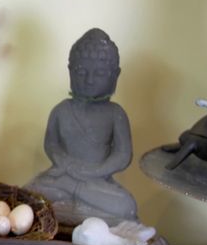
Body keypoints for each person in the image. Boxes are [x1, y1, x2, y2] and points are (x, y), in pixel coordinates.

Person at [25, 28, 138, 225]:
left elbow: (122, 156)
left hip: (98, 181)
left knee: (126, 206)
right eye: (81, 72)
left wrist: (95, 171)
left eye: (99, 73)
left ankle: (70, 190)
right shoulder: (61, 110)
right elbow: (51, 145)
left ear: (115, 75)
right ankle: (70, 194)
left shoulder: (115, 113)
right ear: (70, 71)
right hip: (64, 173)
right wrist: (65, 163)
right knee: (30, 191)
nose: (89, 80)